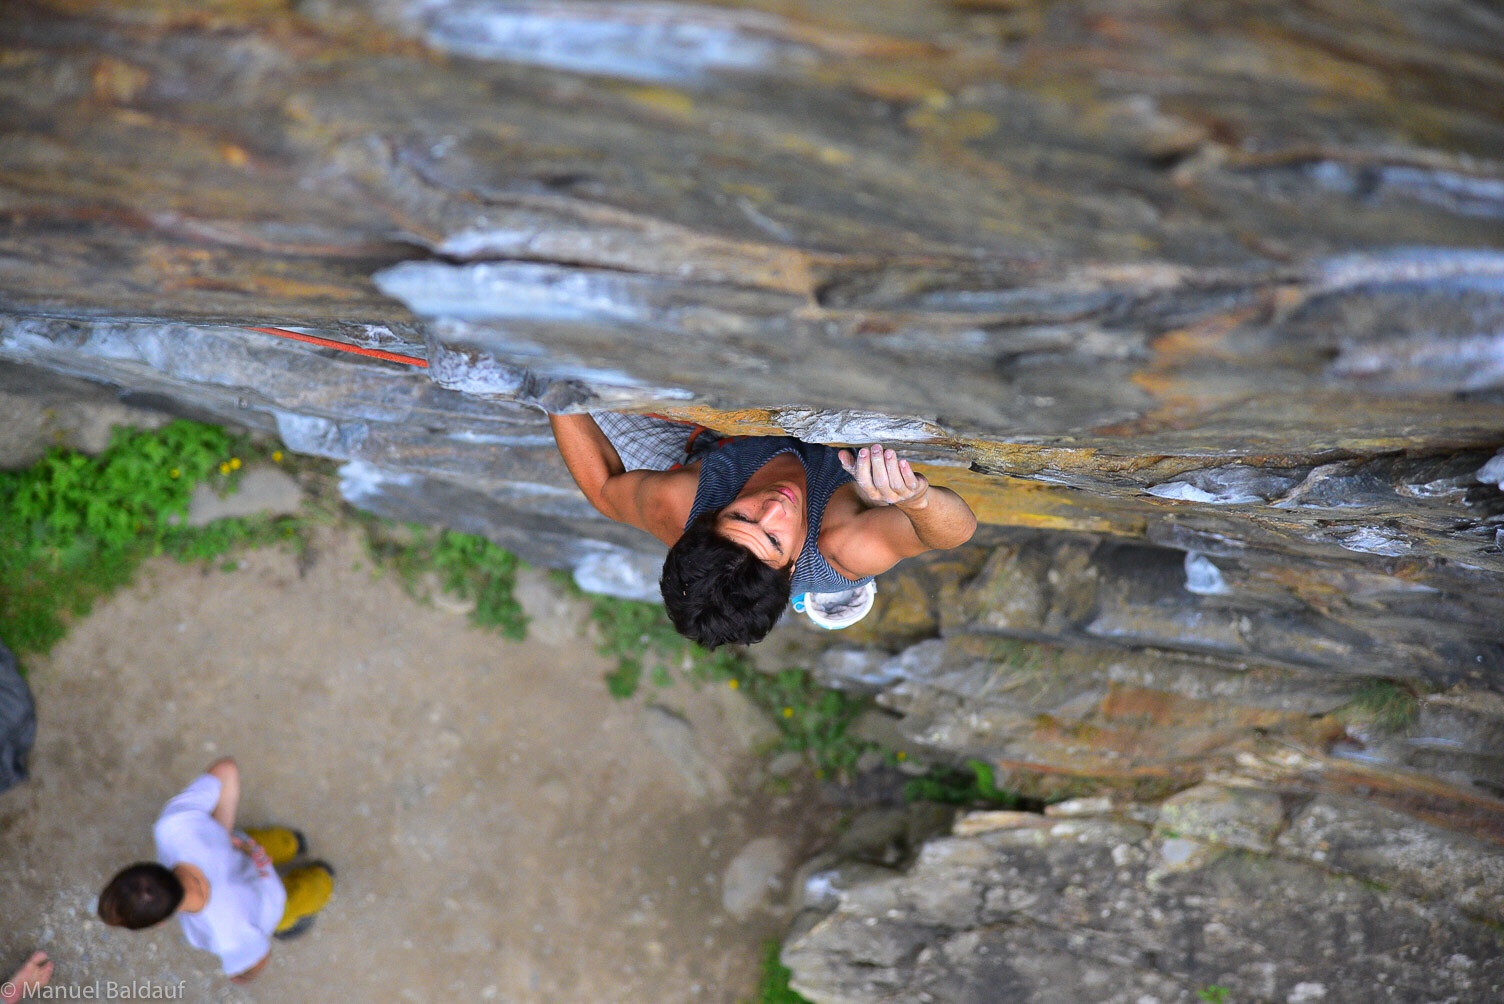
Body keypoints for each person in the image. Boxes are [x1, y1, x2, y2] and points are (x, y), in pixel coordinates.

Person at [550, 413, 978, 648]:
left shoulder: (680, 502)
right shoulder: (842, 547)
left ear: (710, 517)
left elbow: (605, 491)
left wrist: (556, 398)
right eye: (773, 539)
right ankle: (826, 595)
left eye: (742, 517)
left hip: (708, 450)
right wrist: (916, 499)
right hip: (800, 496)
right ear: (791, 569)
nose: (774, 507)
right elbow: (954, 533)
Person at [97, 758, 334, 983]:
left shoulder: (225, 937)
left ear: (161, 921)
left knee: (305, 895)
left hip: (275, 905)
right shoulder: (171, 826)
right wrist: (222, 833)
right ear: (146, 867)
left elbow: (260, 957)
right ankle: (294, 843)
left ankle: (324, 876)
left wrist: (244, 974)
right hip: (248, 849)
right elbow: (226, 769)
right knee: (278, 842)